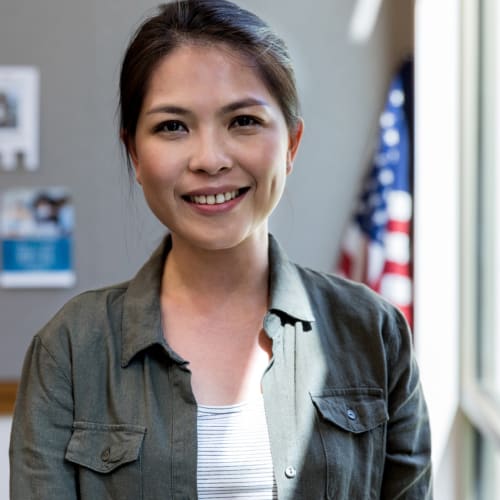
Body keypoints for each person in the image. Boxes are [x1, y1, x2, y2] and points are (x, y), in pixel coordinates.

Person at [9, 1, 432, 498]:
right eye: (172, 126)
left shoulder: (374, 334)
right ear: (135, 154)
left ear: (291, 144)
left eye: (244, 121)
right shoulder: (69, 351)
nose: (209, 159)